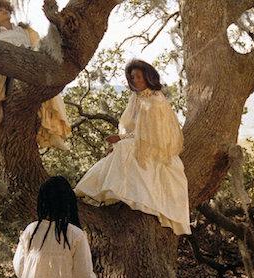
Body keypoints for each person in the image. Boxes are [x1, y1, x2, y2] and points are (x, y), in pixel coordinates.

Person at [74, 59, 191, 235]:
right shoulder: (136, 98)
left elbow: (151, 135)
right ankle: (97, 192)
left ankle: (128, 194)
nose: (134, 80)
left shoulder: (155, 101)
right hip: (136, 141)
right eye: (131, 77)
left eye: (137, 76)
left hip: (153, 146)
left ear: (147, 77)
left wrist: (122, 139)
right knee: (120, 149)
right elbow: (130, 126)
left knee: (124, 148)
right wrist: (121, 138)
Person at [0, 0, 71, 150]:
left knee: (47, 92)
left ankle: (53, 134)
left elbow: (37, 48)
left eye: (6, 9)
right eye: (0, 11)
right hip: (7, 69)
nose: (4, 12)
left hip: (28, 66)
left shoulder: (25, 31)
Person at [13, 176, 97, 278]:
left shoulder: (31, 231)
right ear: (68, 201)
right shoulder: (75, 235)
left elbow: (19, 270)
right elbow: (84, 277)